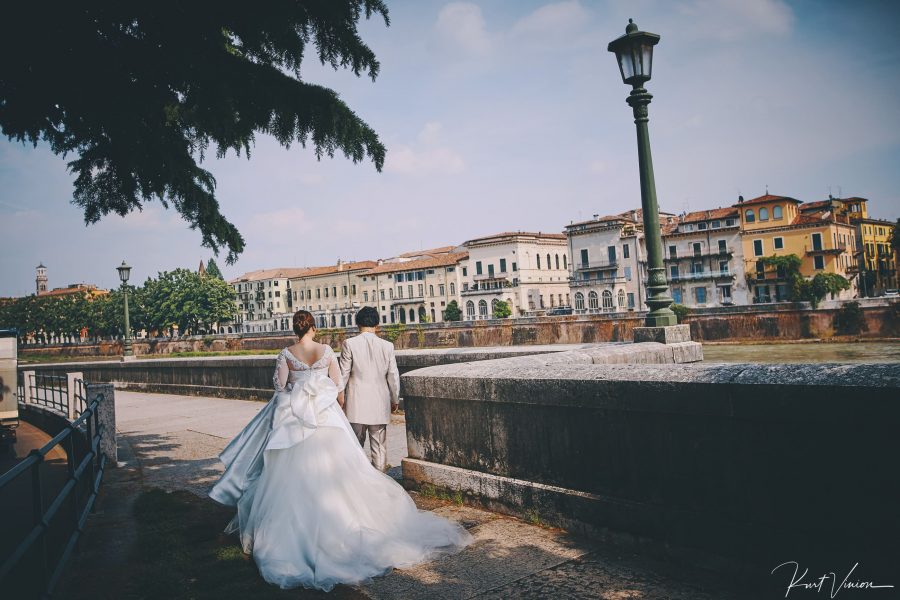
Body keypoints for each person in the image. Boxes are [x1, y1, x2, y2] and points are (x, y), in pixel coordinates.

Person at [208, 310, 472, 591]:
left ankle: (293, 531)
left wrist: (300, 388)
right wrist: (319, 389)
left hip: (296, 420)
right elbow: (336, 384)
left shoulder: (286, 353)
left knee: (289, 475)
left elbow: (279, 386)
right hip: (325, 416)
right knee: (343, 467)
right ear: (314, 327)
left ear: (295, 329)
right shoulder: (327, 351)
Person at [338, 305, 399, 471]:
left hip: (355, 403)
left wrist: (339, 398)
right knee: (379, 446)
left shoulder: (349, 344)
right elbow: (393, 376)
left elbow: (342, 375)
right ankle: (380, 481)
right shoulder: (388, 346)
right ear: (377, 324)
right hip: (380, 401)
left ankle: (357, 479)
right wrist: (395, 399)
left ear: (357, 323)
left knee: (355, 445)